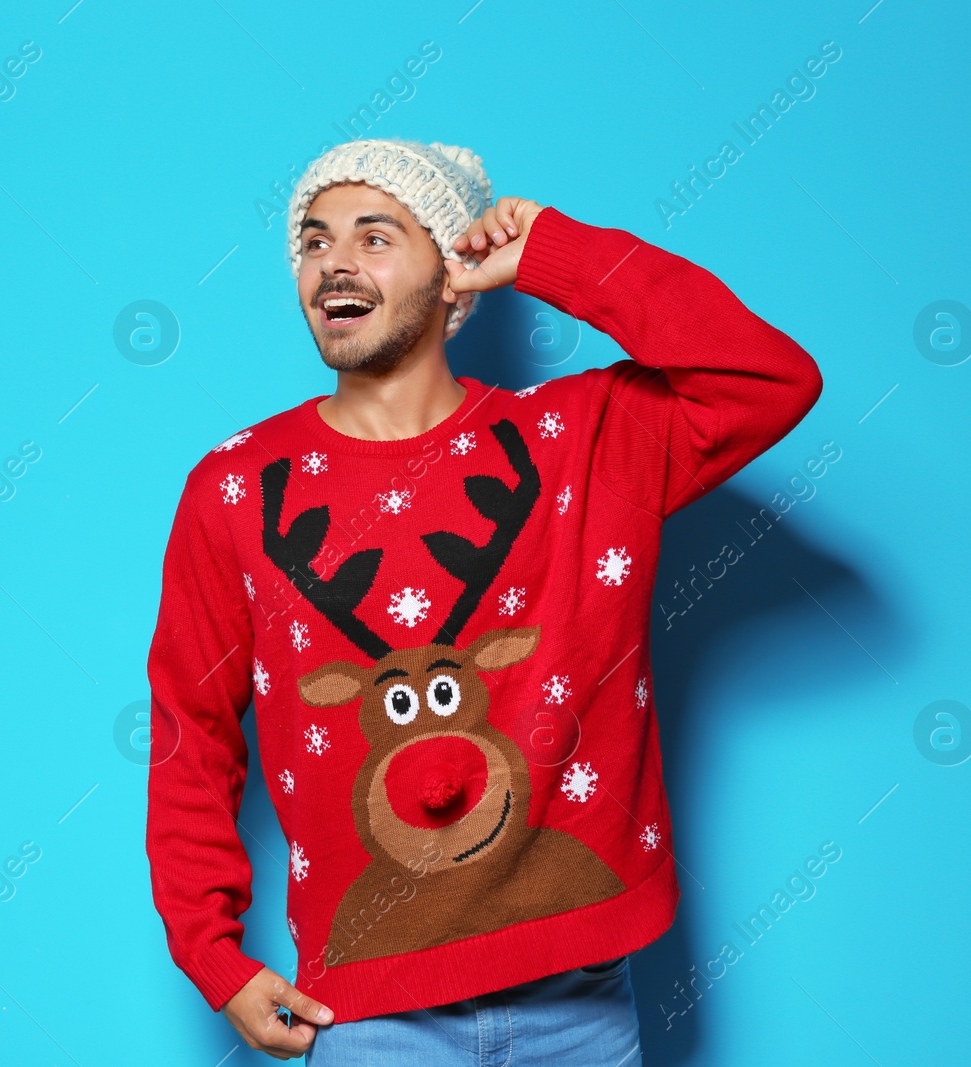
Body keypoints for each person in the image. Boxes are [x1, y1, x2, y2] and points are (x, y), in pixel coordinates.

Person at [145, 138, 822, 1063]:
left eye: (376, 236)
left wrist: (557, 252)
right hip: (369, 1021)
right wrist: (211, 954)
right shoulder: (235, 490)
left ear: (455, 278)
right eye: (313, 241)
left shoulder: (580, 442)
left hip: (581, 1002)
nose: (334, 262)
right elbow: (190, 729)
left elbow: (767, 376)